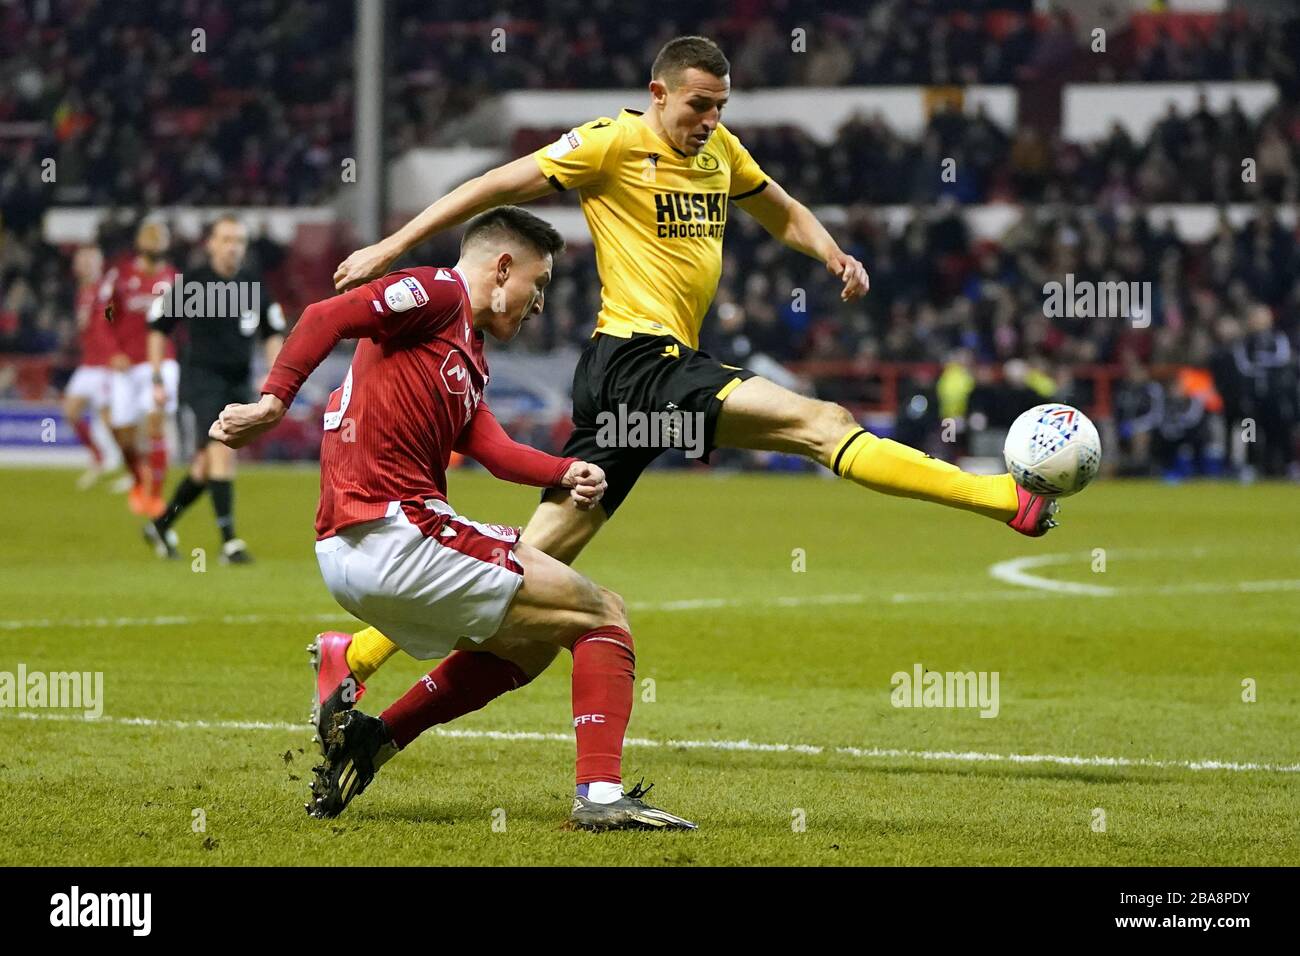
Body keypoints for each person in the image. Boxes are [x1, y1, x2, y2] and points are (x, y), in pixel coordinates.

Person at [320, 34, 1062, 749]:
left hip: (642, 388)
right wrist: (391, 247)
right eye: (698, 105)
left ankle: (354, 662)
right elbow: (493, 184)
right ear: (658, 92)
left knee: (533, 557)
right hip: (639, 362)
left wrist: (830, 251)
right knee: (820, 422)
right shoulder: (612, 143)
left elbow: (780, 209)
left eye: (721, 108)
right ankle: (1004, 499)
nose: (709, 122)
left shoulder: (720, 152)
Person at [210, 207, 694, 831]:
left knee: (536, 643)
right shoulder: (440, 293)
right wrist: (273, 402)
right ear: (502, 268)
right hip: (397, 533)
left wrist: (562, 472)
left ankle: (373, 733)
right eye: (537, 285)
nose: (539, 303)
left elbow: (489, 448)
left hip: (359, 551)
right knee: (603, 612)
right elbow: (325, 314)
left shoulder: (465, 349)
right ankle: (600, 797)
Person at [143, 216, 285, 563]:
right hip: (201, 380)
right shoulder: (193, 283)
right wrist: (158, 377)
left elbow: (273, 333)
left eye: (238, 239)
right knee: (222, 451)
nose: (233, 246)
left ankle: (160, 525)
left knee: (205, 467)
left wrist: (274, 378)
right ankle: (229, 543)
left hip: (237, 381)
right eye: (226, 239)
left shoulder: (253, 284)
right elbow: (158, 327)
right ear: (211, 244)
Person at [98, 221, 179, 517]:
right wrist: (113, 351)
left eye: (161, 235)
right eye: (151, 235)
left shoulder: (175, 279)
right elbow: (105, 314)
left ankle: (155, 497)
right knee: (123, 434)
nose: (156, 240)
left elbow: (186, 322)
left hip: (162, 361)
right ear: (139, 240)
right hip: (126, 364)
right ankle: (136, 479)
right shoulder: (120, 276)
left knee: (155, 421)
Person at [61, 245, 120, 490]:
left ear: (99, 263)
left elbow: (112, 319)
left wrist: (105, 313)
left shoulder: (106, 290)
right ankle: (99, 457)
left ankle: (130, 468)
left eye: (88, 260)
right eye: (80, 260)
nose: (82, 265)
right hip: (88, 364)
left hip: (106, 364)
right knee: (70, 411)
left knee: (111, 421)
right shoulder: (82, 291)